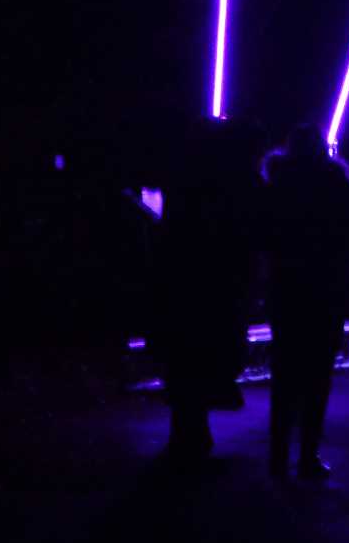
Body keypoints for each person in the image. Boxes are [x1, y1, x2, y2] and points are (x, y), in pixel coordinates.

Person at [152, 116, 262, 468]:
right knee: (204, 352)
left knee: (185, 356)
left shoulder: (186, 180)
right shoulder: (237, 182)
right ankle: (193, 430)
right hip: (219, 283)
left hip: (187, 280)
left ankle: (188, 432)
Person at [261, 124, 349, 479]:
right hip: (325, 286)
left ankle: (278, 455)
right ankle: (308, 455)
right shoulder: (334, 183)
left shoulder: (277, 183)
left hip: (286, 285)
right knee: (318, 374)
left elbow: (266, 235)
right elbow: (346, 237)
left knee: (284, 372)